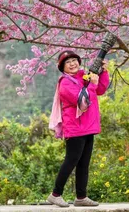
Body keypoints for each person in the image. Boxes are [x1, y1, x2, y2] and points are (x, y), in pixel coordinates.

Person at [47, 50, 109, 208]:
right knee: (71, 161)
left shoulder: (84, 76)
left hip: (88, 126)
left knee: (84, 163)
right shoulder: (65, 83)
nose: (73, 63)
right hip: (75, 128)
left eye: (74, 60)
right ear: (62, 67)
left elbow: (100, 90)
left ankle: (81, 197)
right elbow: (83, 101)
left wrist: (102, 73)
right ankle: (55, 194)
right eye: (68, 62)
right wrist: (92, 84)